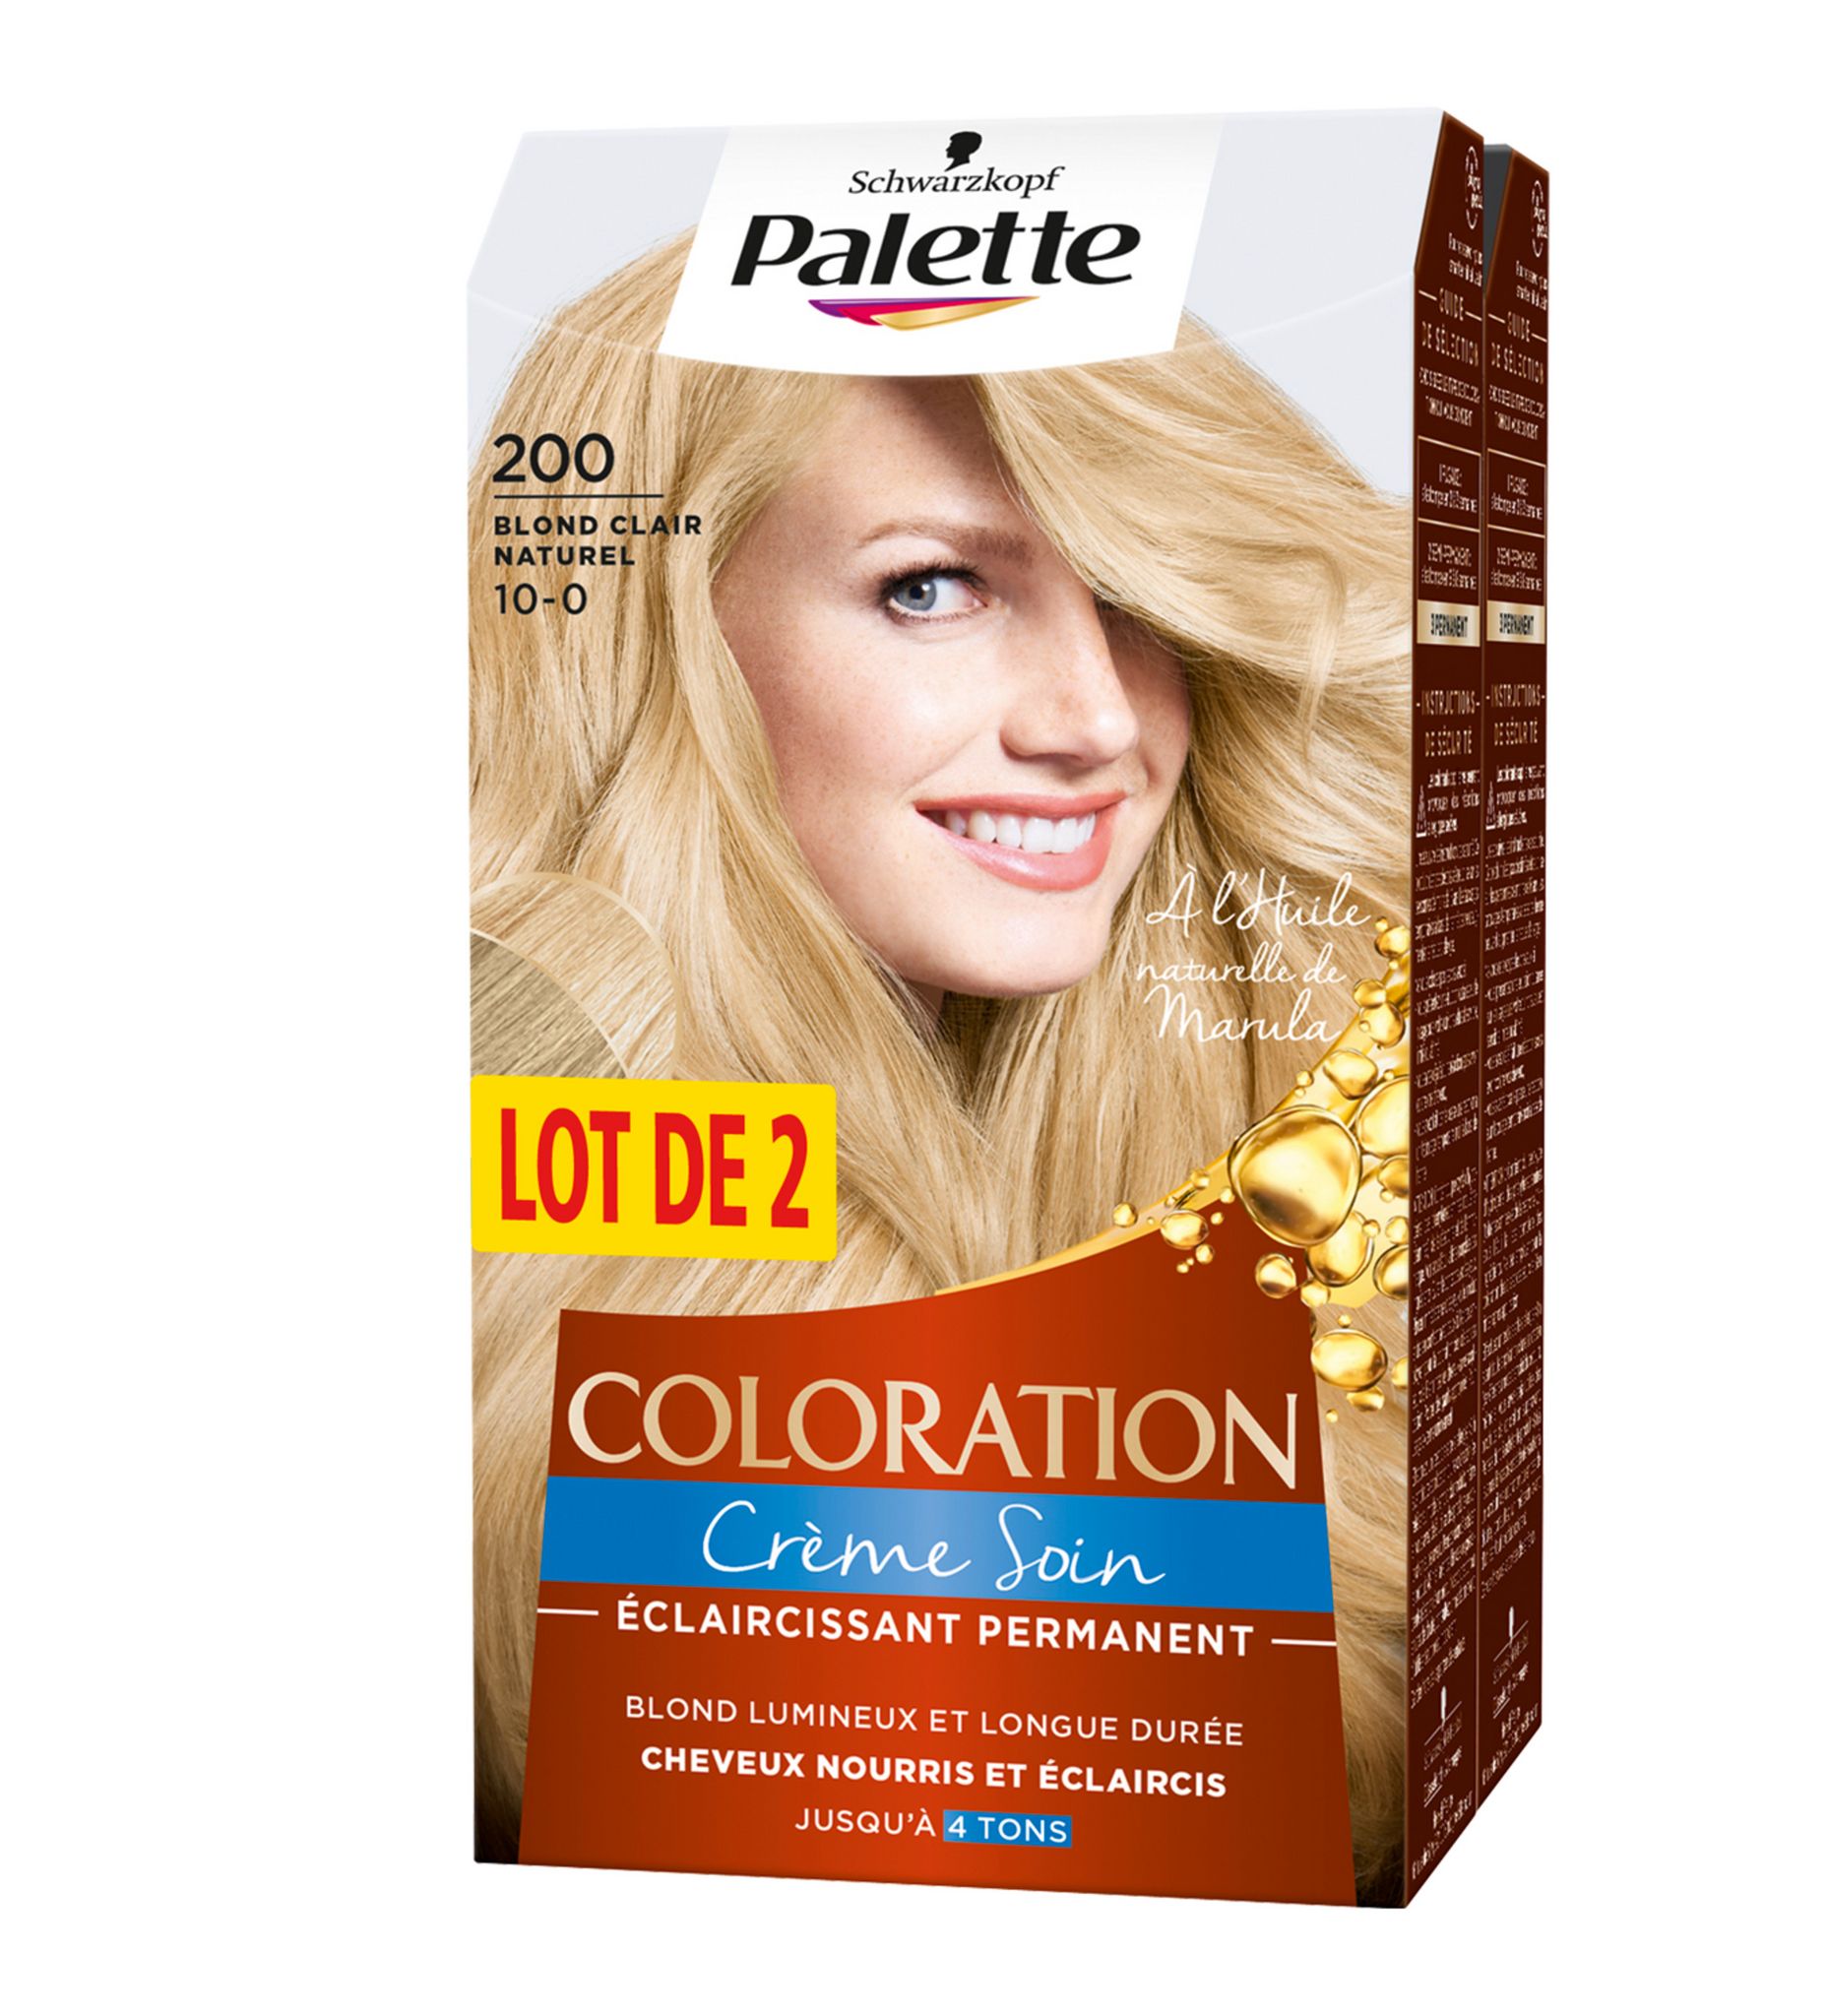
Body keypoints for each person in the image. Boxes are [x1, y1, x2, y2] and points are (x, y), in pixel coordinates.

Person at [471, 231, 1414, 1899]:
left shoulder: (1308, 1090)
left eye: (1135, 596)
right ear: (665, 636)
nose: (1096, 720)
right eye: (932, 589)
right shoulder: (519, 1128)